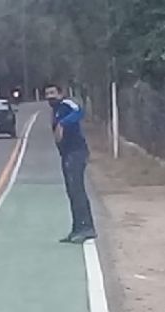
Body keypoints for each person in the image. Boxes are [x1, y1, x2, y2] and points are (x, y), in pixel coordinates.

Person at [45, 84, 97, 244]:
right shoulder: (55, 110)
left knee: (77, 190)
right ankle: (77, 228)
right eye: (47, 94)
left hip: (77, 152)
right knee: (72, 192)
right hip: (66, 154)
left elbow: (79, 111)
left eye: (53, 93)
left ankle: (86, 227)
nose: (49, 97)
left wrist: (63, 124)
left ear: (61, 93)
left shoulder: (67, 105)